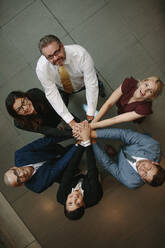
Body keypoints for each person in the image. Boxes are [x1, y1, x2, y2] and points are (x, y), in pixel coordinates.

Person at [36, 34, 105, 128]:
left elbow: (90, 83)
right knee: (62, 97)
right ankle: (67, 93)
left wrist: (90, 114)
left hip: (83, 82)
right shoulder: (41, 68)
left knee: (96, 84)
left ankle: (101, 89)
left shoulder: (80, 53)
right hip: (62, 87)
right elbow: (52, 94)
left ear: (62, 46)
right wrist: (70, 121)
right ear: (45, 57)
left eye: (57, 52)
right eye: (50, 57)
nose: (55, 58)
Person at [74, 127, 165, 189]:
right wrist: (93, 133)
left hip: (121, 160)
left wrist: (91, 141)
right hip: (134, 142)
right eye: (149, 168)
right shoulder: (153, 146)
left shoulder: (130, 181)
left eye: (144, 174)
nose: (143, 168)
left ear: (143, 180)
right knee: (122, 134)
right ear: (155, 163)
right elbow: (122, 134)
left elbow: (108, 165)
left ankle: (116, 154)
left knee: (114, 157)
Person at [57, 121, 103, 220]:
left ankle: (89, 130)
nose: (74, 198)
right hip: (92, 182)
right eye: (78, 203)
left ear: (64, 202)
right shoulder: (94, 196)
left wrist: (82, 143)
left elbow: (70, 169)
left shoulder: (61, 196)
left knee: (71, 167)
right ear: (84, 205)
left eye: (70, 202)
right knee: (95, 172)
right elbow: (92, 169)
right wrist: (87, 142)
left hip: (75, 177)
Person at [4, 135, 77, 193]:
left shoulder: (20, 154)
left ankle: (68, 148)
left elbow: (43, 142)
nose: (21, 175)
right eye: (19, 180)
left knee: (63, 147)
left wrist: (71, 134)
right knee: (72, 159)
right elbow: (58, 167)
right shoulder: (37, 186)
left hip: (53, 150)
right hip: (60, 171)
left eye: (16, 173)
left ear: (13, 168)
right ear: (21, 184)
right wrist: (78, 145)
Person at [91, 76, 164, 129]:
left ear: (152, 97)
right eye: (146, 85)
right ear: (142, 82)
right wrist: (93, 122)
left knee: (137, 119)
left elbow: (116, 119)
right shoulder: (129, 83)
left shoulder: (144, 109)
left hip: (136, 112)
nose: (145, 90)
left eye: (150, 91)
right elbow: (109, 103)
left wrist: (92, 126)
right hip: (122, 106)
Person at [5, 88, 73, 138]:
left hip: (53, 111)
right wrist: (72, 134)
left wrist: (73, 124)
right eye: (19, 109)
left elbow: (56, 109)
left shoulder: (35, 94)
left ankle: (64, 93)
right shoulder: (20, 123)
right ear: (17, 114)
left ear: (26, 97)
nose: (25, 108)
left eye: (23, 102)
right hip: (47, 126)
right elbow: (45, 130)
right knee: (55, 134)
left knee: (65, 111)